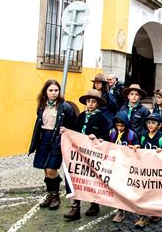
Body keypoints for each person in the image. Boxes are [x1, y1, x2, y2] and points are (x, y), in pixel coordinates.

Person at [29, 80, 76, 210]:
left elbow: (73, 124)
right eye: (51, 90)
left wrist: (66, 130)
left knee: (51, 169)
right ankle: (50, 194)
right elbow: (39, 122)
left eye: (56, 90)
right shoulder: (41, 105)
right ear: (46, 91)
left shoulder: (65, 106)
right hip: (44, 138)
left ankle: (56, 196)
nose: (54, 93)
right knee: (44, 167)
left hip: (57, 139)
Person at [64, 89, 109, 220]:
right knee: (76, 177)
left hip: (93, 154)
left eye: (93, 102)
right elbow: (74, 131)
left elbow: (105, 136)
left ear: (98, 104)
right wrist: (66, 133)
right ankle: (75, 207)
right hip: (79, 153)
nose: (90, 104)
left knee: (92, 178)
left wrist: (98, 137)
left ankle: (94, 203)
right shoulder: (82, 116)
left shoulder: (101, 118)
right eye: (88, 101)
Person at [133, 113, 162, 228]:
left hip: (157, 170)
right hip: (145, 169)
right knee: (144, 192)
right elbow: (139, 145)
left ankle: (155, 212)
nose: (150, 125)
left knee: (155, 192)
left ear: (160, 125)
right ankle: (143, 216)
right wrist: (136, 146)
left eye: (153, 123)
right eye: (148, 123)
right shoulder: (143, 135)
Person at [109, 111, 140, 223]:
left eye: (122, 126)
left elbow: (138, 149)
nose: (120, 128)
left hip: (128, 165)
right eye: (118, 126)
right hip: (116, 164)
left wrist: (134, 147)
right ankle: (120, 210)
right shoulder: (113, 134)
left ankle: (131, 206)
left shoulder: (131, 135)